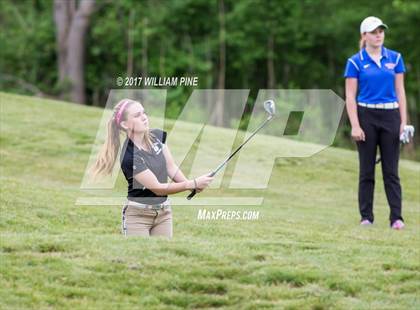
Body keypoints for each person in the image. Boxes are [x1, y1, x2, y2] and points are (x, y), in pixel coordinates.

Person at [90, 98, 214, 237]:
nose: (144, 117)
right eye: (137, 115)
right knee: (140, 258)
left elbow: (170, 167)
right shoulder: (129, 156)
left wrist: (191, 185)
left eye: (144, 112)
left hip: (164, 213)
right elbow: (157, 188)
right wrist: (191, 183)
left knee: (164, 256)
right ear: (125, 124)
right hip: (137, 216)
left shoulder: (157, 136)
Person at [344, 16, 407, 230]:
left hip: (391, 116)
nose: (378, 34)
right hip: (366, 117)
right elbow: (351, 96)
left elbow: (400, 91)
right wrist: (355, 124)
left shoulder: (395, 58)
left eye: (381, 30)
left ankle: (396, 218)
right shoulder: (355, 62)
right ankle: (366, 217)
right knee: (367, 171)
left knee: (391, 172)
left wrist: (404, 122)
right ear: (364, 36)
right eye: (373, 31)